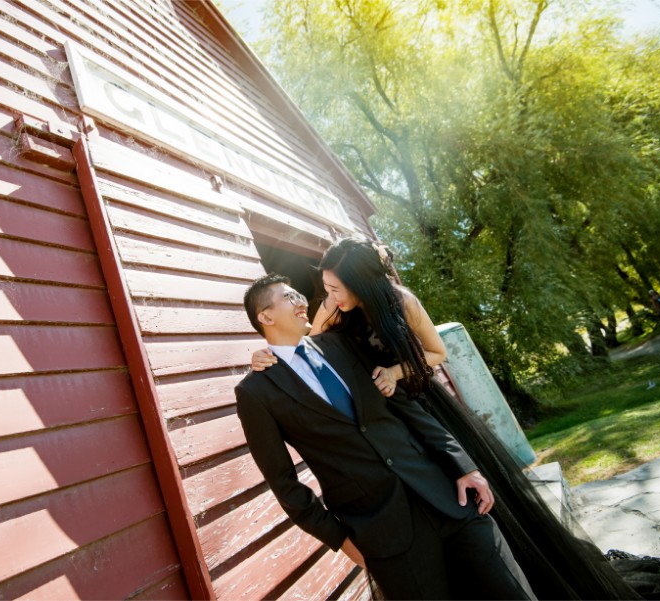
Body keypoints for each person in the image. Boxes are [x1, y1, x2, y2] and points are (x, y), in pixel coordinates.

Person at [250, 237, 639, 600]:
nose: (323, 298)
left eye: (334, 288)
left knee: (500, 556)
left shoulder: (397, 304)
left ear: (357, 283)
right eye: (323, 289)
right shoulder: (324, 325)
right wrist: (264, 360)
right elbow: (305, 350)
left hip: (418, 408)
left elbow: (431, 361)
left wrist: (397, 377)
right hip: (382, 493)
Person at [236, 273, 536, 600]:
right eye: (289, 297)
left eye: (299, 295)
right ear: (265, 316)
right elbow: (284, 483)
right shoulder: (256, 392)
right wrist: (342, 541)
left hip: (448, 499)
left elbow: (408, 409)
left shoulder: (344, 343)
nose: (301, 302)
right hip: (385, 537)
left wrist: (464, 466)